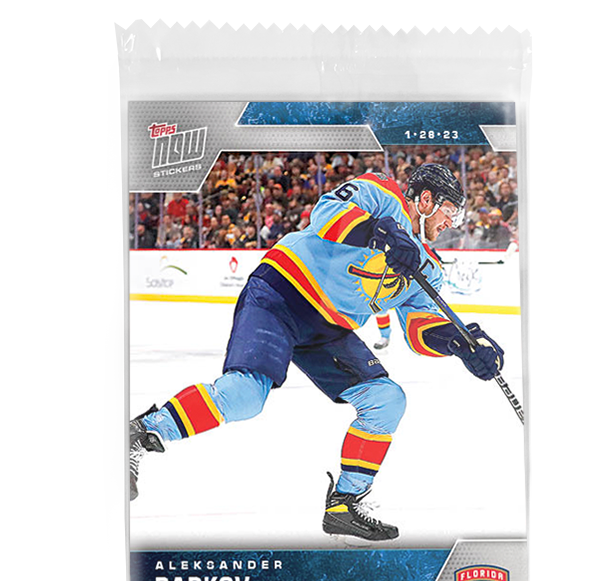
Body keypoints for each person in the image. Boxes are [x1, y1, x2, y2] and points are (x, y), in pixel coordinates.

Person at [129, 164, 504, 541]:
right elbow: (326, 212)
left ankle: (345, 504)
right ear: (426, 200)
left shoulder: (428, 268)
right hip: (282, 293)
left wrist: (458, 344)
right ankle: (141, 432)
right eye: (449, 211)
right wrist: (379, 232)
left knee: (386, 399)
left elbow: (419, 329)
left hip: (328, 329)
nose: (451, 223)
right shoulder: (381, 192)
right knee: (245, 395)